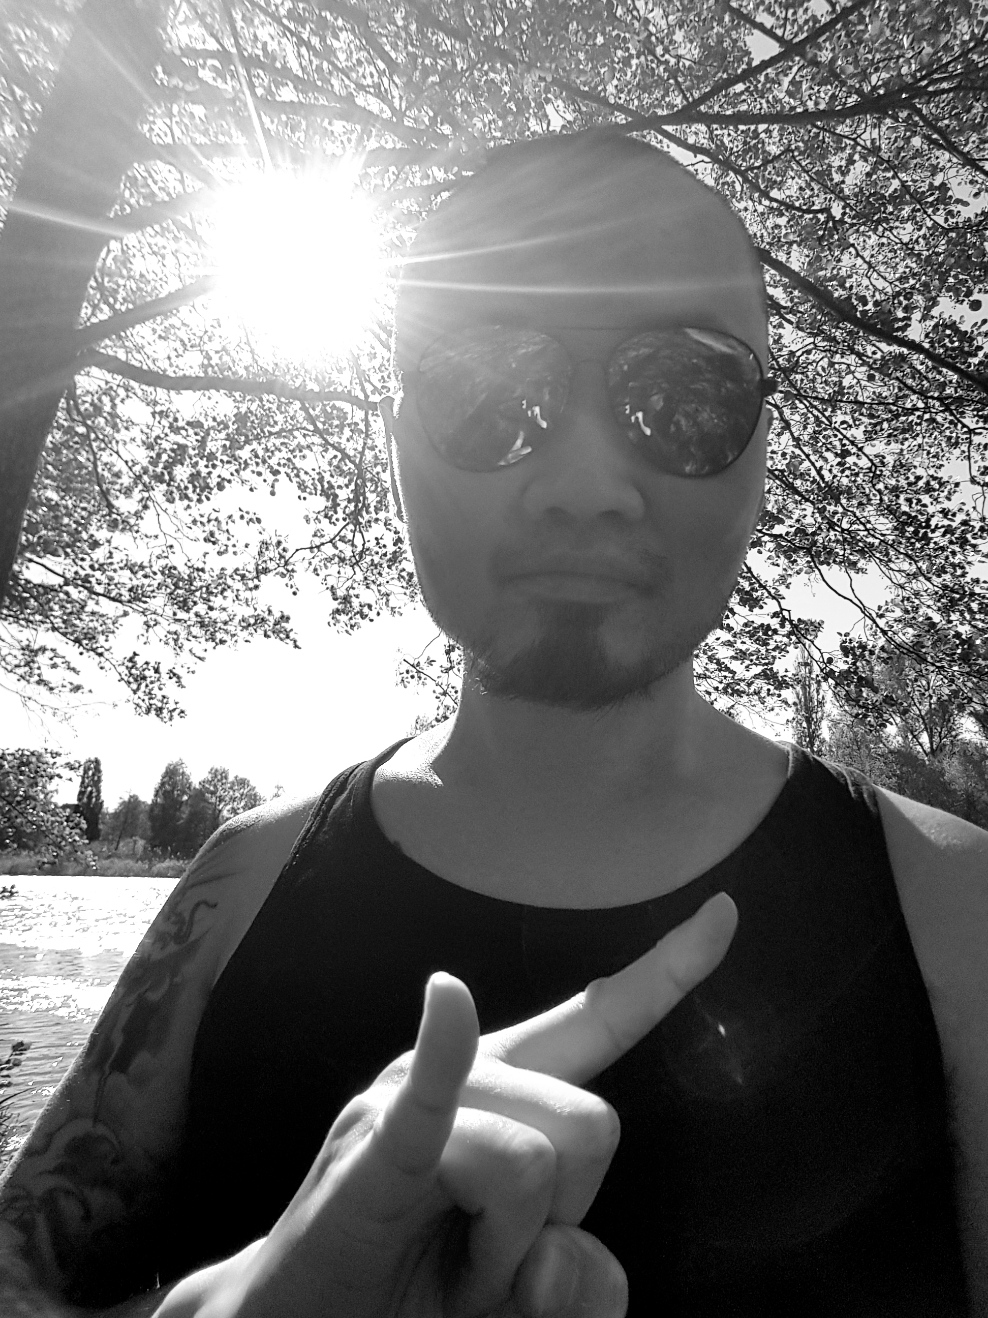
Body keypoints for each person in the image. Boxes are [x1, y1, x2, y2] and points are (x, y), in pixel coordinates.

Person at [2, 128, 987, 1317]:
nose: (583, 485)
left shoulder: (956, 911)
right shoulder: (239, 886)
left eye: (686, 395)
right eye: (484, 389)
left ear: (761, 448)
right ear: (395, 443)